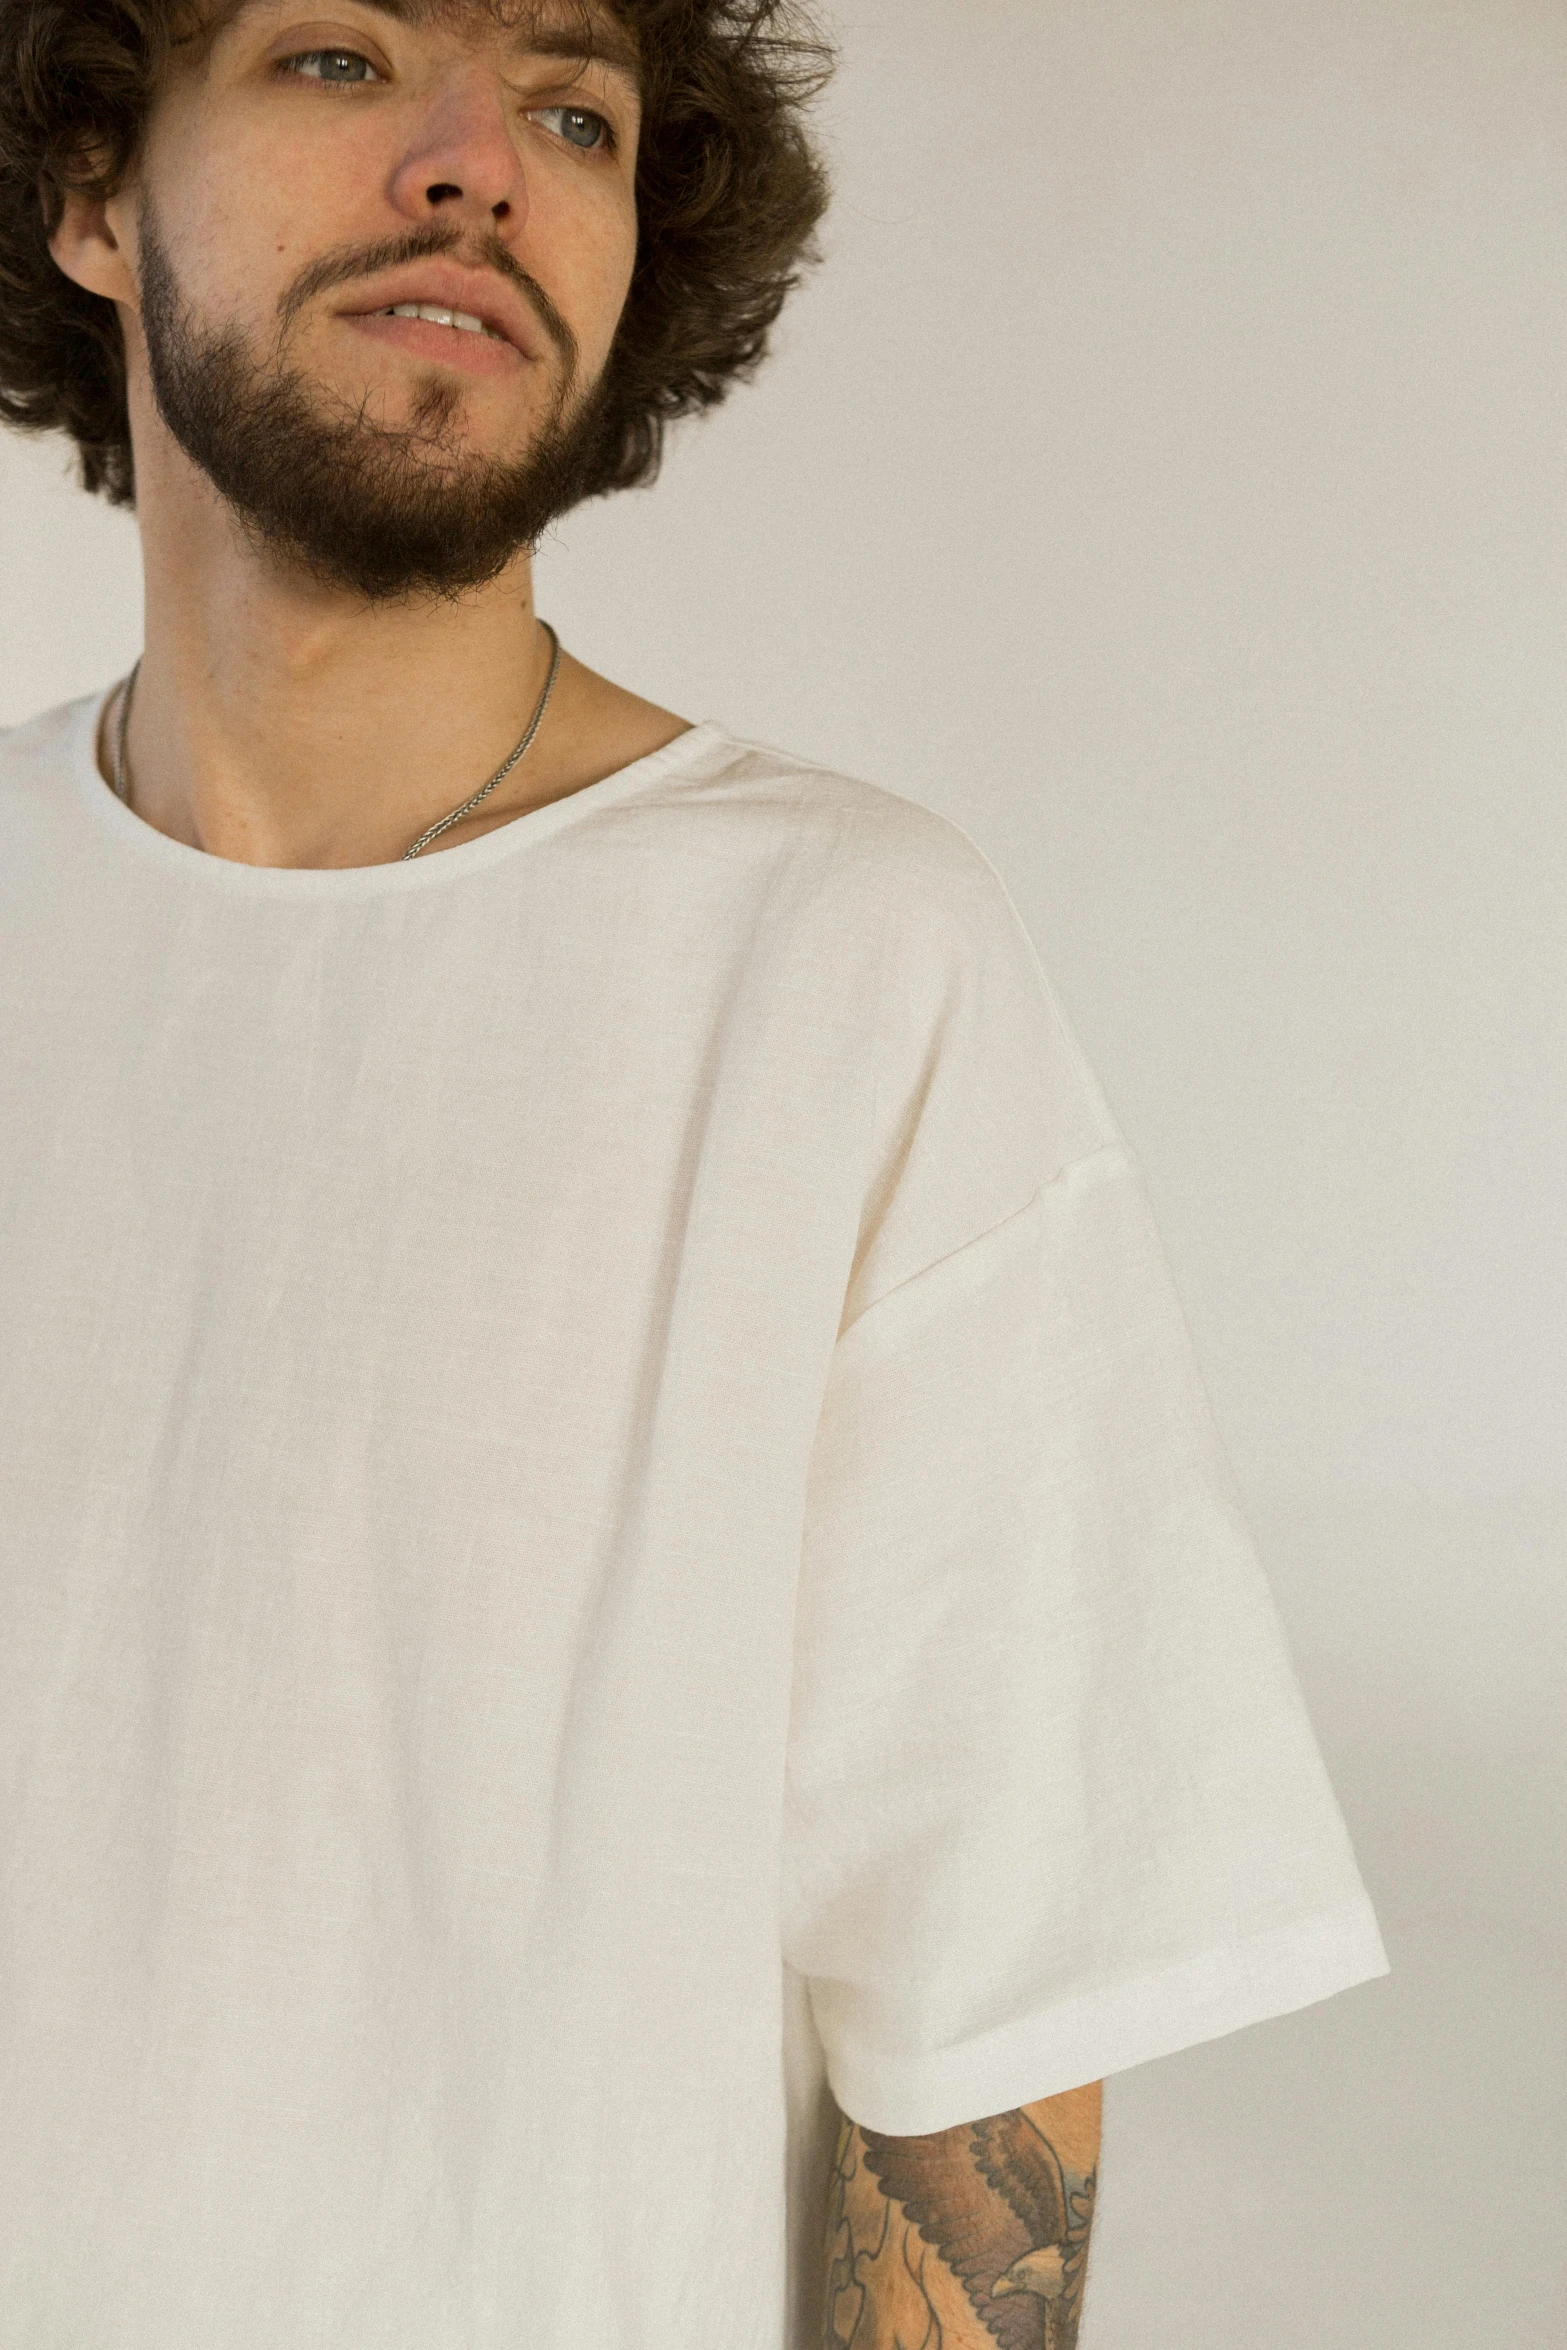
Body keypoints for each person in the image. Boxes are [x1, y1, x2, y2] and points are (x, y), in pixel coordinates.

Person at [0, 1, 1390, 2343]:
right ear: (93, 194)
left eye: (574, 110)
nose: (479, 166)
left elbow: (985, 2037)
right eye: (343, 58)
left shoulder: (842, 965)